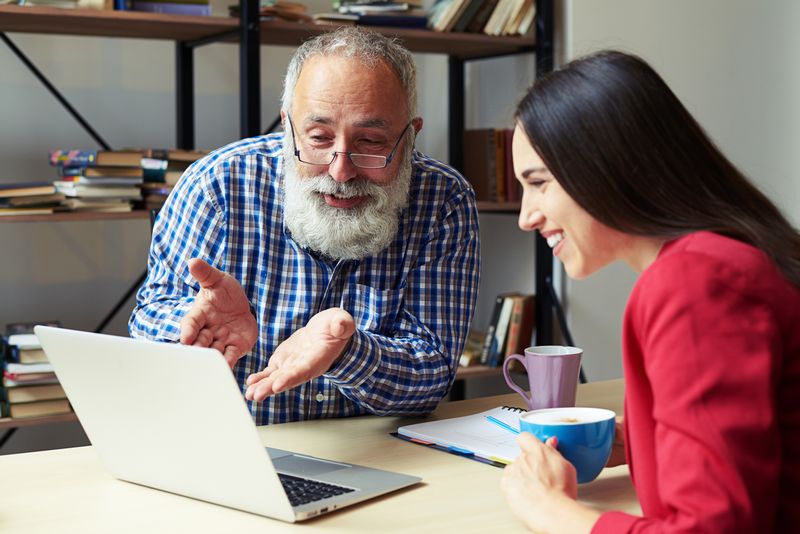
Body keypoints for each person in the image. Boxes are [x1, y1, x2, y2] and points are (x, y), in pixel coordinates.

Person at [500, 50, 800, 532]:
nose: (526, 216)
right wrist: (639, 441)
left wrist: (550, 510)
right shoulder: (722, 259)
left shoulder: (694, 284)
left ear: (605, 165)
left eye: (539, 184)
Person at [129, 27, 480, 425]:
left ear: (410, 136)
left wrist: (347, 352)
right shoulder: (218, 184)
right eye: (318, 137)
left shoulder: (444, 201)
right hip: (230, 441)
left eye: (370, 142)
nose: (341, 170)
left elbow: (432, 374)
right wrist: (193, 326)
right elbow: (148, 318)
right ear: (287, 126)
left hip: (375, 455)